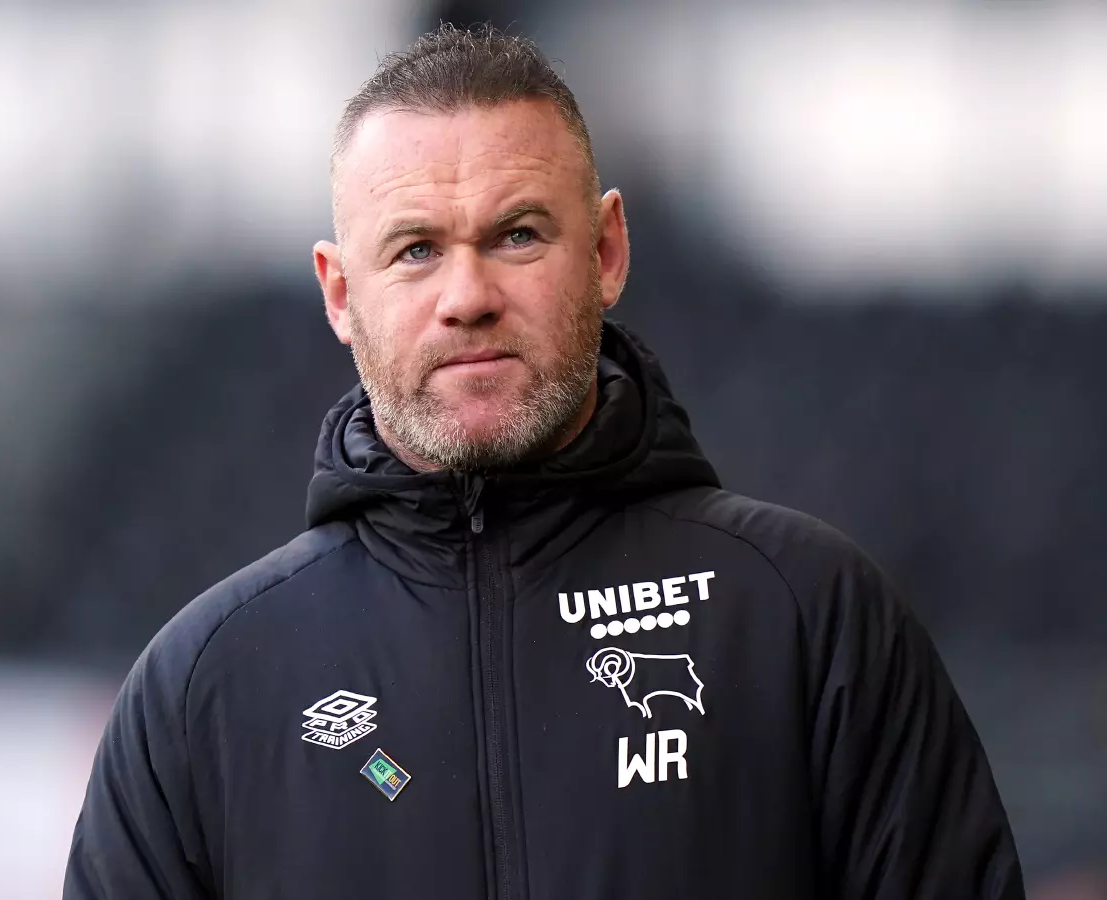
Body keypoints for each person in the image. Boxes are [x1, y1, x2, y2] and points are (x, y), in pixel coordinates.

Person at [64, 24, 1025, 900]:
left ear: (607, 250)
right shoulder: (204, 684)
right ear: (339, 292)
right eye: (414, 250)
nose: (467, 295)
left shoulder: (807, 615)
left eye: (518, 234)